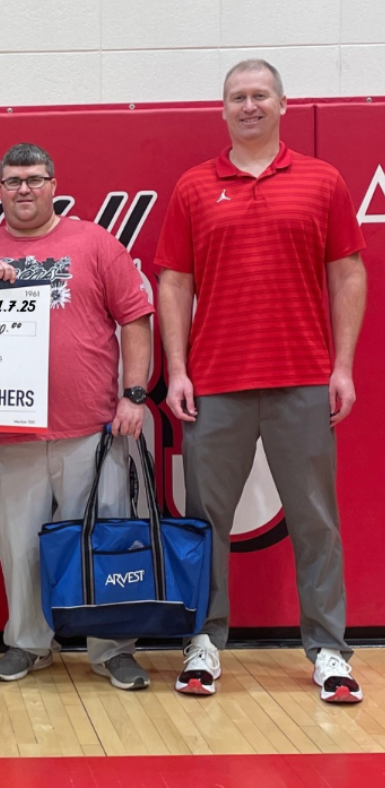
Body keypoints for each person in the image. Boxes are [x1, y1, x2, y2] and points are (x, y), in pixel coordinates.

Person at [156, 59, 368, 702]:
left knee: (315, 520)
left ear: (282, 104)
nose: (248, 106)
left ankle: (328, 650)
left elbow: (348, 273)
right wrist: (177, 370)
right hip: (215, 382)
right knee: (205, 524)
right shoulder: (194, 186)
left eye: (260, 95)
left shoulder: (322, 180)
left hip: (302, 378)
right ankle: (202, 641)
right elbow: (174, 282)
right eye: (236, 97)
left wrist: (342, 366)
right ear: (222, 109)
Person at [0, 142, 155, 689]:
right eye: (13, 181)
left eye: (35, 179)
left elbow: (135, 317)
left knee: (104, 543)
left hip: (91, 431)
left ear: (54, 185)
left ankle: (112, 649)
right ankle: (28, 643)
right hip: (8, 434)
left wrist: (133, 395)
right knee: (19, 549)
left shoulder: (94, 241)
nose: (24, 189)